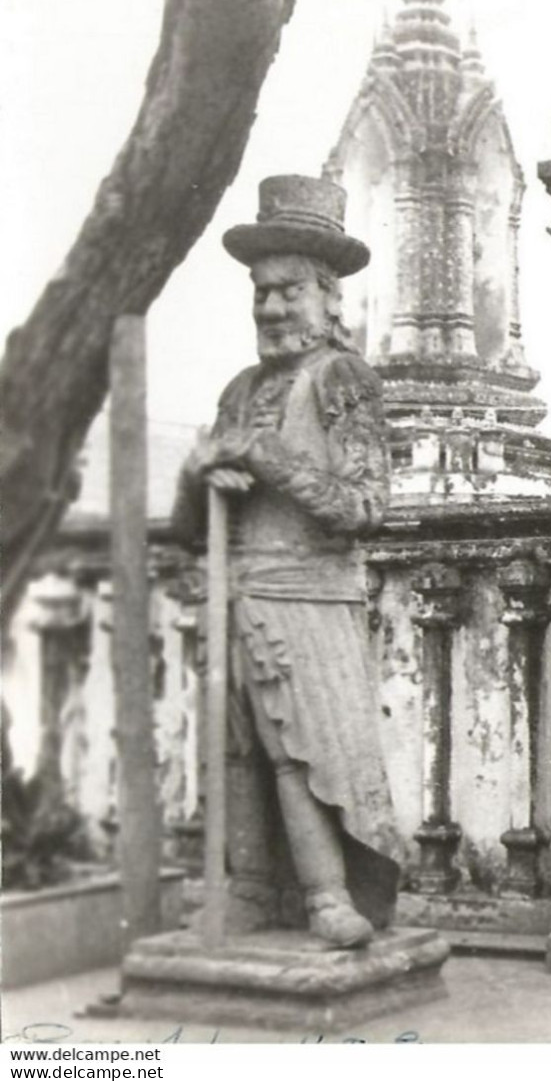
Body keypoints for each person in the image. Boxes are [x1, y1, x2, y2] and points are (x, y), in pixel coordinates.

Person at [171, 175, 405, 949]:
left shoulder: (342, 378)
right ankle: (246, 890)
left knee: (300, 754)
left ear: (329, 297)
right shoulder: (240, 388)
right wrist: (203, 473)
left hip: (310, 597)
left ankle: (328, 895)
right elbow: (185, 522)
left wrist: (263, 456)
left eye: (289, 290)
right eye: (260, 294)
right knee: (236, 751)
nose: (272, 309)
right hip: (236, 590)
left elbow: (365, 506)